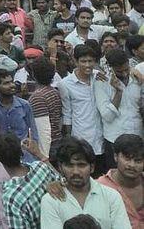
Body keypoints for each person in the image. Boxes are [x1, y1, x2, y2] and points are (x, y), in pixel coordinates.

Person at [40, 137, 131, 228]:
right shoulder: (51, 200)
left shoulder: (111, 197)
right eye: (69, 165)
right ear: (60, 167)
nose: (75, 171)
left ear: (92, 167)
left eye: (81, 165)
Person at [59, 45, 107, 176]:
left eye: (91, 61)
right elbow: (67, 113)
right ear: (75, 61)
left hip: (101, 136)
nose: (87, 65)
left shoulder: (99, 77)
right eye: (83, 61)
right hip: (81, 136)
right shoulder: (65, 84)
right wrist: (69, 139)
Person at [93, 49, 142, 172]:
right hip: (115, 139)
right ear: (110, 68)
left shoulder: (137, 78)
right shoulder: (101, 82)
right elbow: (107, 116)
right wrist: (118, 92)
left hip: (138, 137)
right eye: (119, 71)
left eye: (126, 69)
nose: (125, 74)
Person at [0, 69, 40, 163]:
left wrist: (36, 155)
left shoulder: (24, 105)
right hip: (0, 158)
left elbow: (33, 132)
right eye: (6, 83)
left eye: (12, 82)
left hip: (24, 157)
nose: (12, 85)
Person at [96, 133, 144, 229]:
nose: (132, 165)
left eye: (138, 160)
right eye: (127, 158)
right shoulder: (99, 187)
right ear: (115, 157)